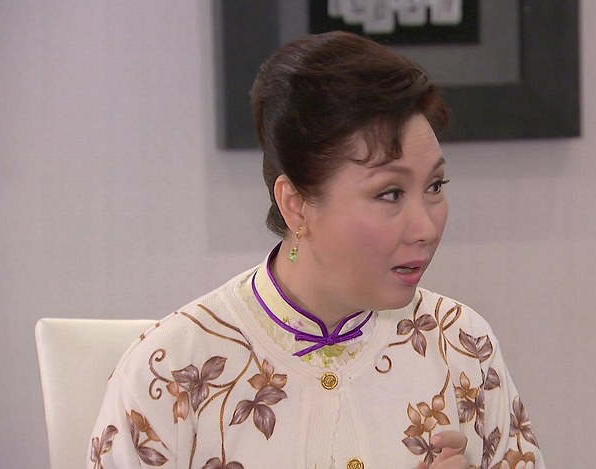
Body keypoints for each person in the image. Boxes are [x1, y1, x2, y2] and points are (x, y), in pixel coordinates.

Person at [88, 31, 545, 469]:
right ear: (296, 204)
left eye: (435, 186)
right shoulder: (172, 372)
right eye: (389, 193)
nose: (426, 227)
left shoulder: (462, 344)